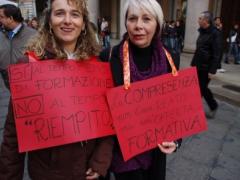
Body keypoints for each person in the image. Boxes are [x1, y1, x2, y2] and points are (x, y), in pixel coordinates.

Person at [0, 0, 114, 179]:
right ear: (49, 22)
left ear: (83, 24)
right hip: (47, 173)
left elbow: (108, 123)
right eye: (60, 13)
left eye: (75, 14)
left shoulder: (98, 66)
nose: (67, 20)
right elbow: (12, 137)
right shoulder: (29, 66)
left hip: (89, 171)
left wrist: (100, 161)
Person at [100, 0, 181, 180]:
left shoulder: (171, 58)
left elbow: (175, 107)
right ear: (125, 22)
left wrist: (175, 139)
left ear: (157, 24)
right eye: (132, 18)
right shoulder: (109, 56)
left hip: (156, 151)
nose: (138, 26)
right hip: (123, 155)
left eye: (146, 19)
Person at [191, 11, 220, 118]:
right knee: (198, 88)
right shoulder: (202, 31)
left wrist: (212, 70)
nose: (198, 20)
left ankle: (213, 105)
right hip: (198, 65)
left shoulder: (215, 33)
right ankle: (194, 108)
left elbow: (217, 53)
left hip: (206, 67)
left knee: (202, 88)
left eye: (200, 18)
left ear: (206, 21)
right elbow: (200, 49)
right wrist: (193, 64)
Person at [0, 4, 36, 89]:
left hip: (27, 79)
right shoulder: (1, 34)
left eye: (1, 17)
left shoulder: (33, 35)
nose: (0, 19)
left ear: (10, 19)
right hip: (5, 78)